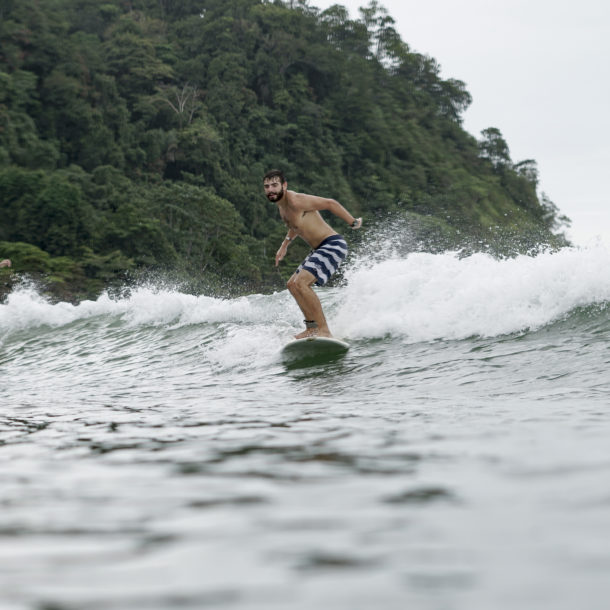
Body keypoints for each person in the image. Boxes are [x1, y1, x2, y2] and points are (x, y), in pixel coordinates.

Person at [264, 169, 362, 339]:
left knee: (301, 283)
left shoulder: (296, 201)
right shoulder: (283, 207)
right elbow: (294, 225)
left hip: (332, 244)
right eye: (266, 187)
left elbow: (331, 203)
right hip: (319, 249)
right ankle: (311, 328)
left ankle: (324, 330)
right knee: (292, 285)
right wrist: (284, 245)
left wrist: (352, 222)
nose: (270, 190)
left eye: (274, 185)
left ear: (284, 186)